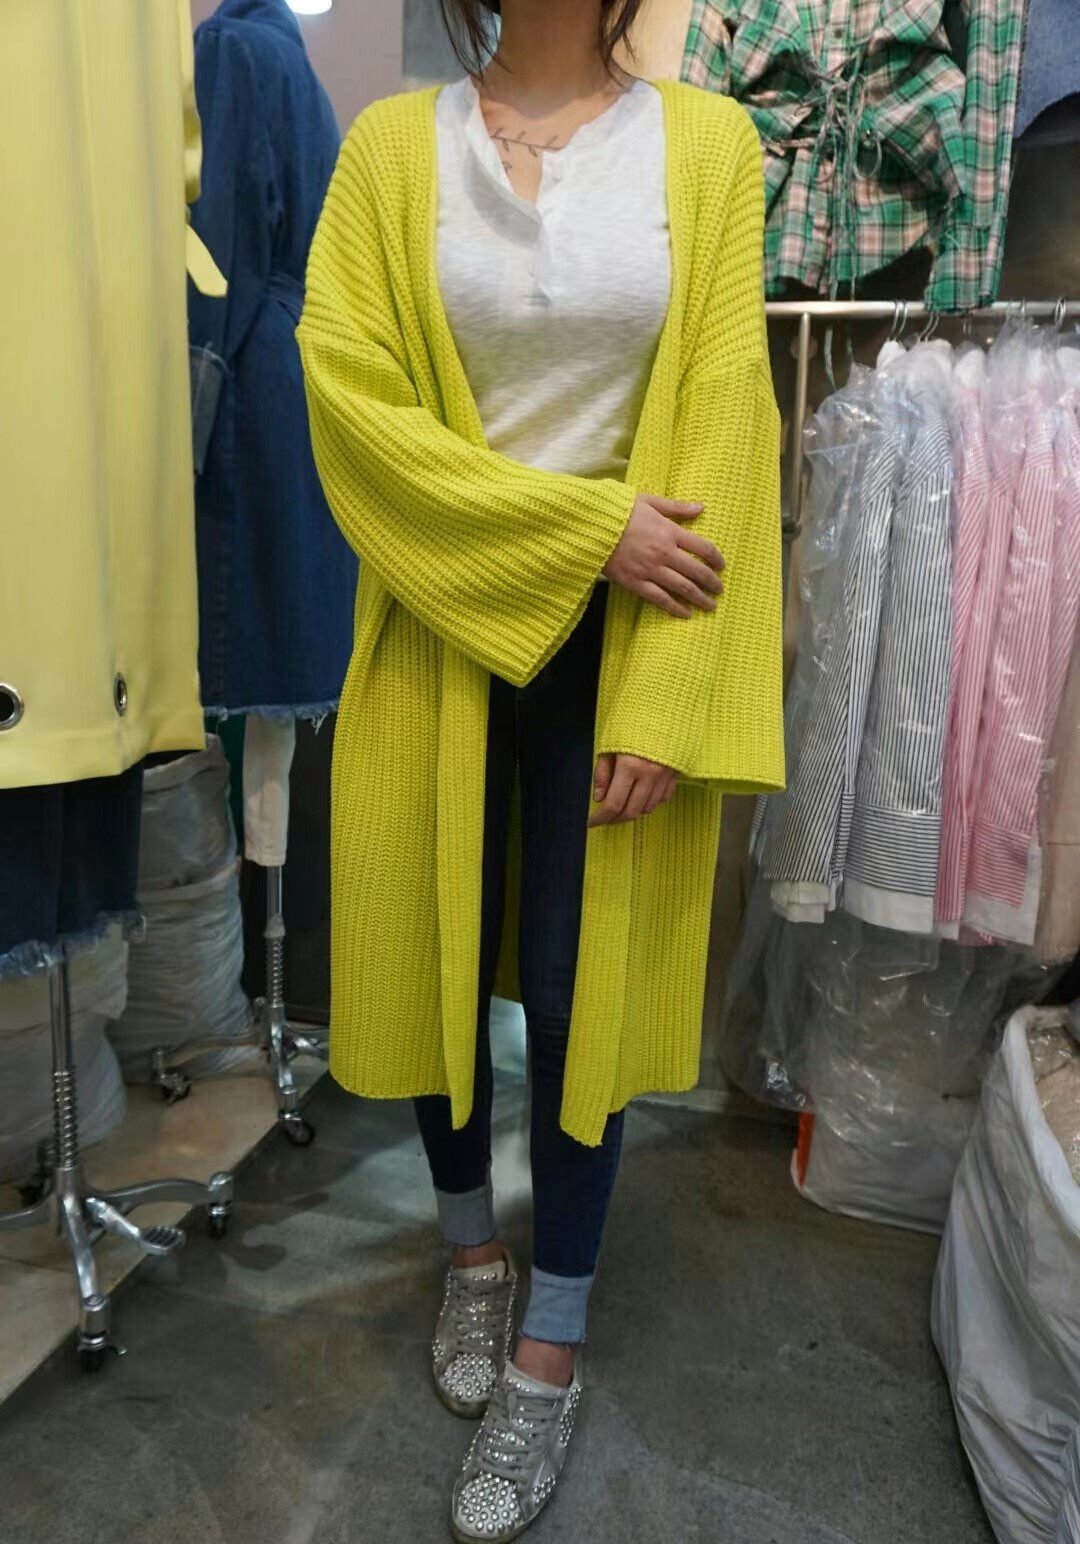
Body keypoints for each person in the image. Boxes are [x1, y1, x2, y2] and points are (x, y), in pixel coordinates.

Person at [298, 1, 784, 1537]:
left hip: (627, 642)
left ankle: (550, 1348)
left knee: (582, 996)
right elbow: (352, 403)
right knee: (429, 960)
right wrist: (586, 528)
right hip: (437, 621)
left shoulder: (709, 145)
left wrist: (669, 696)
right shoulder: (392, 148)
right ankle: (471, 1259)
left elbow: (726, 415)